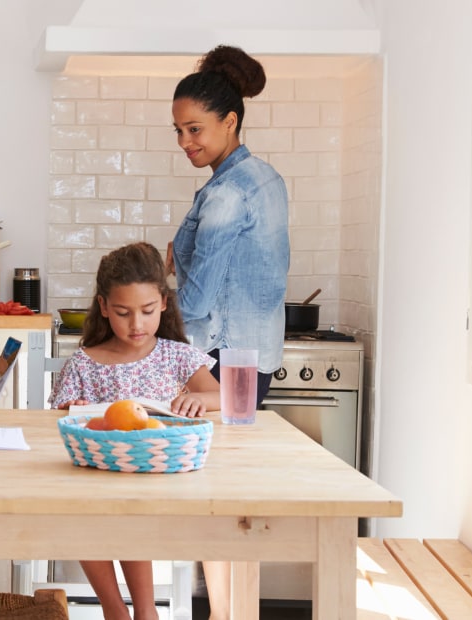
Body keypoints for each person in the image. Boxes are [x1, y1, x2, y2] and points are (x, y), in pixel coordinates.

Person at [167, 45, 291, 620]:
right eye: (179, 131)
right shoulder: (264, 179)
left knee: (213, 505)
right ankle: (227, 613)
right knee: (227, 502)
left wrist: (160, 298)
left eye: (195, 129)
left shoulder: (223, 194)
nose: (186, 141)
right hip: (253, 356)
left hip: (218, 357)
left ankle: (227, 614)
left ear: (230, 121)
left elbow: (196, 299)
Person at [50, 241, 220, 620]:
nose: (137, 325)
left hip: (160, 480)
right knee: (82, 511)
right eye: (124, 313)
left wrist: (199, 400)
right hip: (95, 481)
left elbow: (219, 395)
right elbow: (59, 417)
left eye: (146, 311)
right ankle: (116, 610)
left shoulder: (175, 355)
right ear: (104, 307)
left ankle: (145, 613)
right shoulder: (84, 362)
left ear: (163, 302)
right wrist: (71, 410)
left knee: (128, 507)